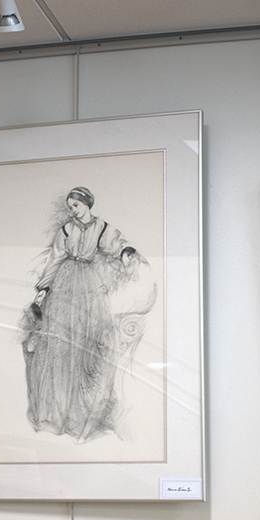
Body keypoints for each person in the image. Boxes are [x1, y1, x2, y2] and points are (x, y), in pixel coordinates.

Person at [21, 186, 153, 443]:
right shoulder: (66, 230)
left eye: (76, 205)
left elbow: (117, 243)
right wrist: (43, 289)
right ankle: (57, 414)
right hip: (64, 285)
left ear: (87, 204)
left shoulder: (101, 228)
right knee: (61, 347)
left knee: (87, 346)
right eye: (70, 207)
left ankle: (82, 416)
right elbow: (55, 259)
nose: (73, 210)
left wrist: (126, 251)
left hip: (89, 286)